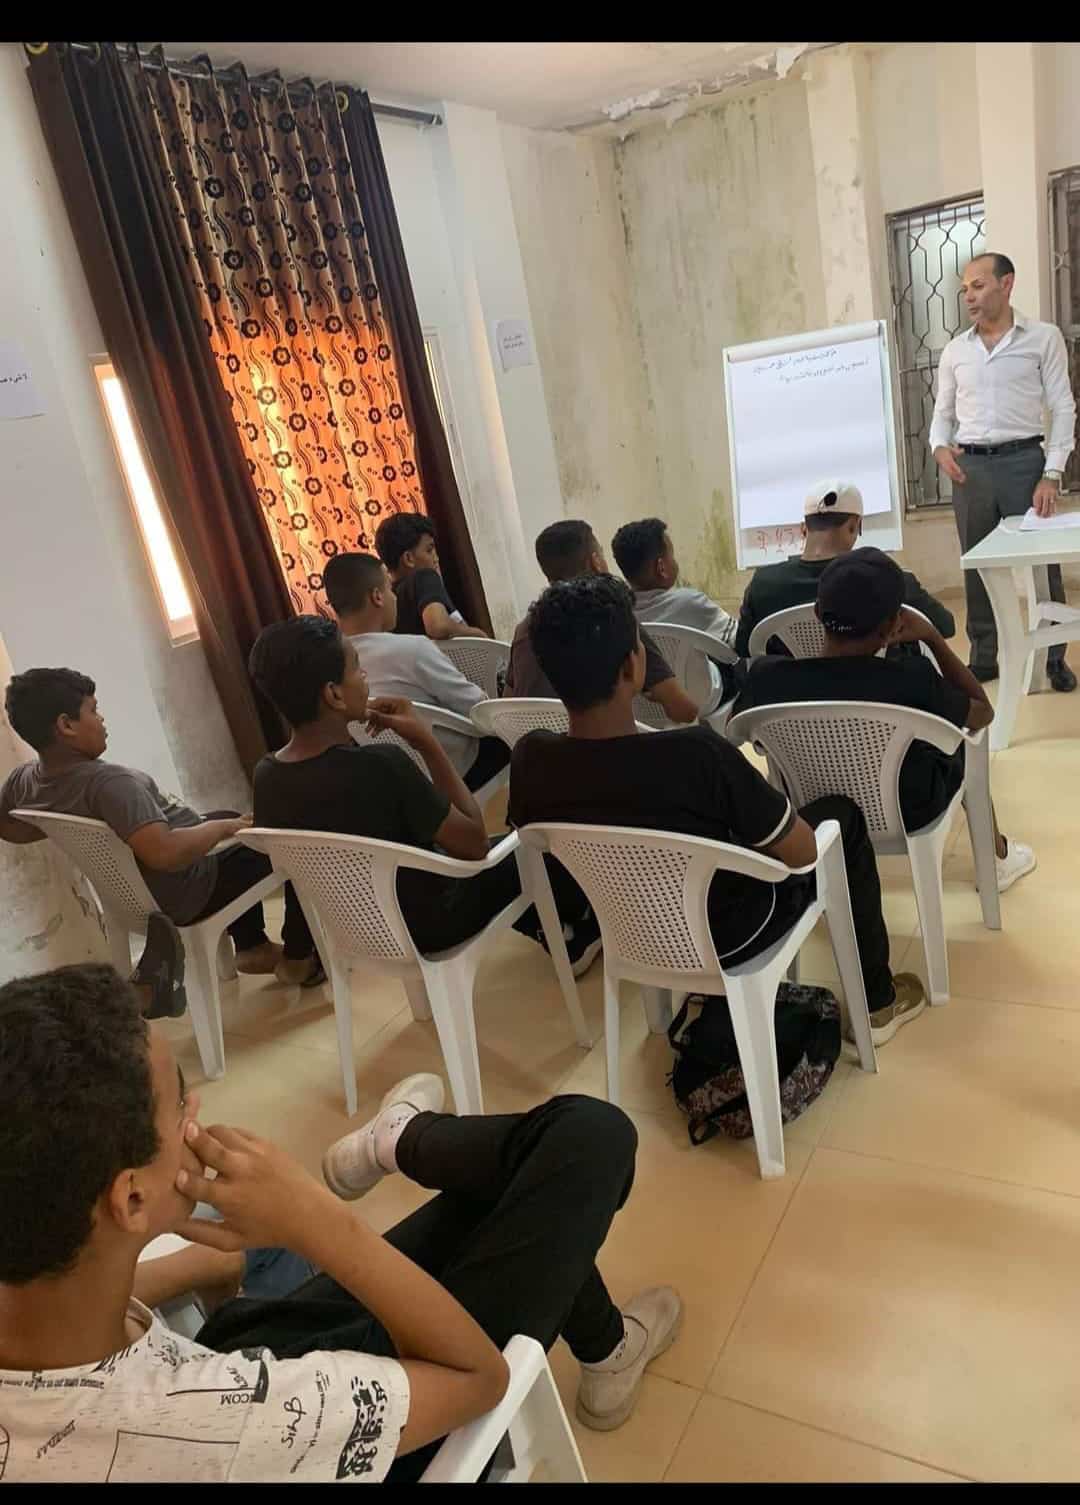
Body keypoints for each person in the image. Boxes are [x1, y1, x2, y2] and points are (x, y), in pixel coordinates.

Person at [0, 963, 680, 1482]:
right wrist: (316, 1220)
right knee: (588, 1142)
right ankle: (401, 1141)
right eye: (180, 1103)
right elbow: (479, 1379)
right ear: (131, 1201)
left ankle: (605, 1344)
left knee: (535, 1185)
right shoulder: (224, 1420)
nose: (196, 1112)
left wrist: (207, 1263)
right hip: (327, 1424)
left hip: (234, 1358)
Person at [510, 573, 926, 1047]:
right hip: (733, 935)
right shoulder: (695, 755)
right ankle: (877, 1001)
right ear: (631, 667)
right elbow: (801, 853)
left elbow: (538, 840)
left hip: (631, 932)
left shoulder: (530, 759)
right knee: (840, 817)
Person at [249, 615, 601, 973]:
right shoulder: (381, 765)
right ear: (334, 694)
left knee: (504, 854)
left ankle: (554, 926)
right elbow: (474, 844)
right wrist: (425, 742)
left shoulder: (267, 776)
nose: (365, 677)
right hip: (433, 923)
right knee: (540, 842)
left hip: (359, 933)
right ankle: (579, 933)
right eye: (356, 667)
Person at [732, 548, 1036, 893]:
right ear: (893, 626)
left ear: (817, 613)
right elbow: (983, 712)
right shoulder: (912, 679)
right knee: (963, 747)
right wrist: (933, 639)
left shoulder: (765, 679)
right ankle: (997, 859)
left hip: (812, 809)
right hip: (909, 811)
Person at [0, 668, 320, 990]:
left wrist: (62, 827)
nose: (102, 718)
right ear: (66, 726)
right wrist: (223, 829)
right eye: (93, 710)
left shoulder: (24, 780)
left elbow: (8, 827)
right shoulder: (109, 784)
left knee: (228, 817)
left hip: (136, 895)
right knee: (290, 841)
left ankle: (252, 946)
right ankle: (298, 956)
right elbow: (164, 854)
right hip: (188, 890)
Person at [929, 251, 1077, 690]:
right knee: (977, 566)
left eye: (978, 286)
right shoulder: (956, 351)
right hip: (970, 470)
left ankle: (1054, 659)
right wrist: (939, 447)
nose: (968, 296)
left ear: (1006, 284)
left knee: (1041, 565)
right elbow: (943, 413)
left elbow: (1063, 406)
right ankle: (984, 657)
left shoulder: (1043, 338)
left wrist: (1051, 473)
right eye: (964, 289)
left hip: (1025, 465)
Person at [324, 551, 509, 795]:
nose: (395, 598)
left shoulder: (334, 668)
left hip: (400, 780)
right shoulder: (413, 649)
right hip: (457, 767)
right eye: (390, 589)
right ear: (377, 597)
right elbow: (477, 707)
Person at [504, 520, 699, 725]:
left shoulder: (524, 629)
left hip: (534, 742)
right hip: (602, 743)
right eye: (603, 555)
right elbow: (683, 710)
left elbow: (508, 703)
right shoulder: (613, 619)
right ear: (596, 562)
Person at [734, 481, 955, 657]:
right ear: (854, 526)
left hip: (791, 694)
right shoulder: (890, 579)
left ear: (803, 529)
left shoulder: (763, 583)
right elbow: (945, 625)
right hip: (878, 693)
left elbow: (743, 648)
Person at [374, 512, 489, 642]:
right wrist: (477, 634)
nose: (436, 558)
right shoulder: (425, 576)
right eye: (429, 550)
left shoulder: (387, 600)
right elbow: (438, 626)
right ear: (408, 558)